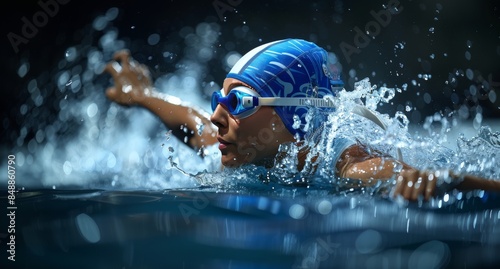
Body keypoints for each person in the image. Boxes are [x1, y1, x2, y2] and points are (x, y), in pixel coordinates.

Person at [103, 38, 500, 202]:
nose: (217, 116)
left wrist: (421, 180)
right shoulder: (246, 147)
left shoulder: (346, 166)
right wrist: (143, 95)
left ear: (293, 116)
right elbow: (195, 128)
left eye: (238, 101)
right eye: (219, 98)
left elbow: (407, 175)